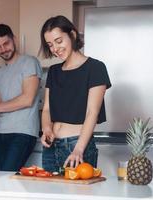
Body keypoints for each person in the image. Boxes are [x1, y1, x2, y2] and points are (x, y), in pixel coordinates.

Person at [39, 15, 111, 172]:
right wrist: (46, 129)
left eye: (59, 41)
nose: (55, 49)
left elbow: (92, 113)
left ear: (72, 35)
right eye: (50, 45)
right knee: (47, 194)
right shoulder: (53, 71)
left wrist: (79, 149)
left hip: (77, 145)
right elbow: (46, 109)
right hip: (51, 146)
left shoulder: (95, 68)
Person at [0, 24, 42, 171]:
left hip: (23, 132)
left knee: (6, 175)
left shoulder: (29, 62)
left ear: (14, 40)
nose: (3, 49)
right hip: (2, 132)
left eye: (6, 43)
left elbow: (27, 99)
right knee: (5, 177)